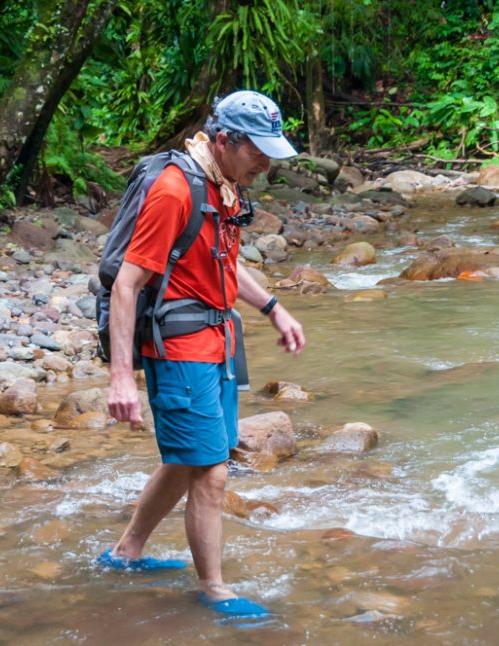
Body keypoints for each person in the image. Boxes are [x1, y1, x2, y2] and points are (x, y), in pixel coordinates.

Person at [98, 90, 306, 617]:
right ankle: (215, 589)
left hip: (218, 342)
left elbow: (225, 266)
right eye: (257, 151)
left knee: (189, 460)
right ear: (224, 140)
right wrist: (122, 378)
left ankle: (125, 553)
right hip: (179, 346)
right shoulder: (175, 190)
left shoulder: (223, 186)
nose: (264, 162)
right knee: (212, 471)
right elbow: (127, 284)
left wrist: (274, 309)